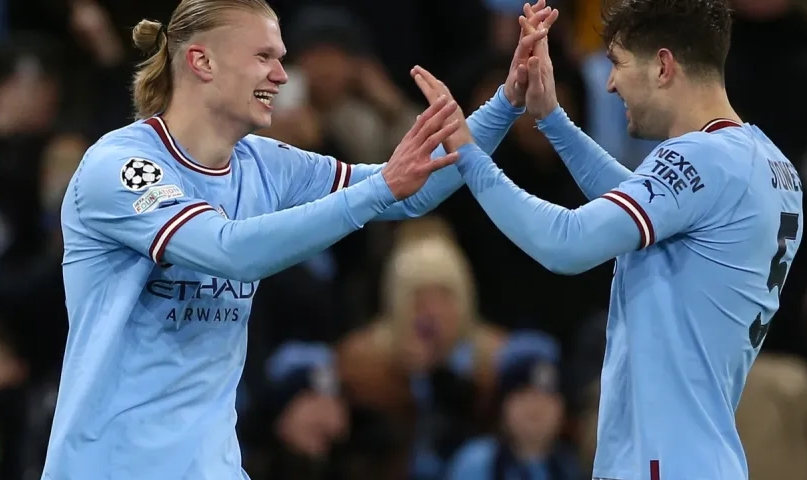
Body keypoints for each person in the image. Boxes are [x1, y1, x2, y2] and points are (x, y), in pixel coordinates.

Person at [40, 0, 554, 479]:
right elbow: (228, 250)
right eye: (264, 56)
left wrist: (505, 104)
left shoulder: (266, 164)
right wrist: (379, 188)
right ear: (202, 62)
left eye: (281, 58)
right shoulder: (121, 167)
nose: (283, 75)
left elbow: (410, 192)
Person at [412, 1, 805, 479]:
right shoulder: (765, 161)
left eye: (618, 63)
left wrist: (469, 154)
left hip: (660, 460)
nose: (609, 83)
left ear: (663, 66)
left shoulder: (702, 159)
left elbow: (566, 241)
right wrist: (552, 119)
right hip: (702, 453)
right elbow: (639, 203)